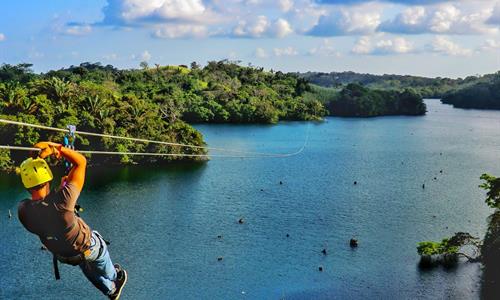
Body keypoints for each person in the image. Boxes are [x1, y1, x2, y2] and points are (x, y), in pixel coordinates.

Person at [17, 141, 127, 299]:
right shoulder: (63, 199)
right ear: (48, 176)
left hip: (63, 255)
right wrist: (56, 148)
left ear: (25, 183)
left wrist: (60, 190)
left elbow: (44, 206)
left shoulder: (23, 210)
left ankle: (110, 290)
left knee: (83, 262)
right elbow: (81, 162)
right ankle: (115, 278)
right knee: (99, 251)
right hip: (86, 247)